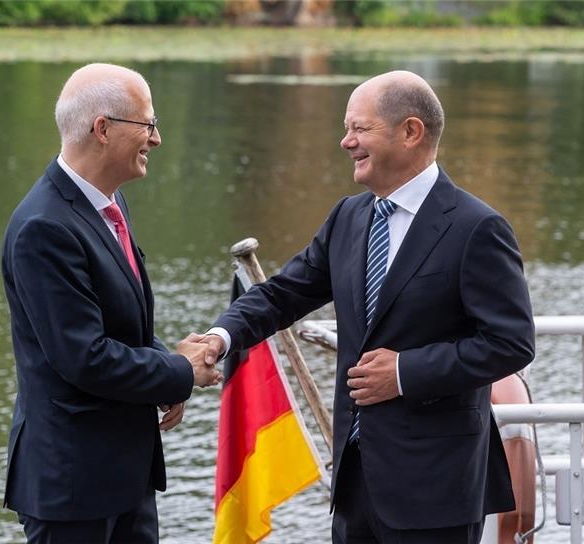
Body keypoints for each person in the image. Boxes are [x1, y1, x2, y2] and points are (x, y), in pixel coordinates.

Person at [200, 71, 535, 544]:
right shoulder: (347, 217)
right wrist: (220, 337)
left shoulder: (477, 228)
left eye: (359, 128)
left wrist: (404, 373)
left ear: (410, 132)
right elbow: (282, 295)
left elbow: (510, 344)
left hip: (436, 488)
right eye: (346, 128)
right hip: (356, 484)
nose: (346, 142)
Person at [0, 63, 220, 544]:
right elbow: (85, 357)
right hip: (74, 486)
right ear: (103, 129)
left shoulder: (109, 203)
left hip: (127, 478)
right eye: (148, 124)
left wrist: (167, 361)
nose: (156, 139)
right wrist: (180, 372)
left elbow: (123, 328)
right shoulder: (45, 227)